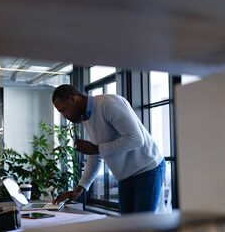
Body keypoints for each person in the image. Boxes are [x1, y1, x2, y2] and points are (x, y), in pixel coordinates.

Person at [51, 84, 166, 214]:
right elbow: (95, 155)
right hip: (125, 176)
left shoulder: (108, 104)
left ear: (73, 99)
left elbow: (136, 139)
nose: (64, 116)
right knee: (127, 228)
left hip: (147, 168)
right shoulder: (86, 118)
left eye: (63, 110)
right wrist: (80, 188)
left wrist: (97, 148)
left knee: (142, 227)